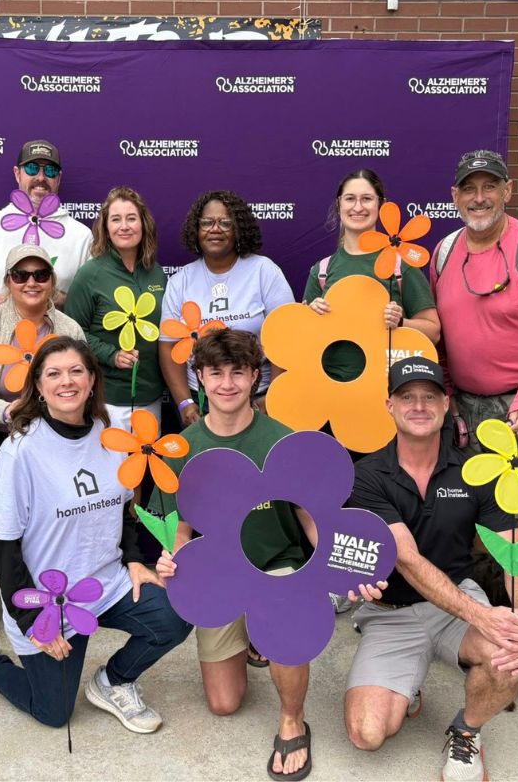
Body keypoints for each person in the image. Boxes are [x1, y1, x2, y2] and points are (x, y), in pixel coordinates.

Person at [155, 329, 382, 781]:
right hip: (222, 572)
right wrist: (173, 558)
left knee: (286, 627)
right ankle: (253, 636)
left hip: (280, 564)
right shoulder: (182, 449)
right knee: (224, 703)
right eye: (215, 373)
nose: (226, 384)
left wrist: (342, 569)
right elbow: (178, 529)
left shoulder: (283, 440)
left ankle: (291, 719)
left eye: (238, 372)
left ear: (256, 376)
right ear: (199, 377)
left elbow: (312, 518)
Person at [0, 337, 192, 732]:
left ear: (91, 380)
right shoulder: (21, 451)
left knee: (177, 615)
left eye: (76, 371)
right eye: (53, 373)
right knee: (53, 713)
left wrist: (135, 560)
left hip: (107, 583)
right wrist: (31, 618)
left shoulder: (112, 433)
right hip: (50, 601)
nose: (66, 382)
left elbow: (124, 508)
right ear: (38, 385)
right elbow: (2, 544)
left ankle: (114, 681)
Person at [343, 357, 518, 782]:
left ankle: (466, 731)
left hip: (457, 597)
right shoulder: (366, 476)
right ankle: (407, 682)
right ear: (389, 406)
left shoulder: (475, 471)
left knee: (511, 654)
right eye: (407, 397)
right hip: (392, 611)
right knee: (367, 733)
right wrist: (485, 617)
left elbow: (513, 555)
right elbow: (408, 560)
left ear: (446, 404)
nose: (419, 406)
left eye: (429, 397)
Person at [429, 150, 518, 538]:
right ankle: (491, 598)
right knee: (476, 516)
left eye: (490, 186)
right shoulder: (444, 252)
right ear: (454, 196)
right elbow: (439, 336)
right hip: (465, 407)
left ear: (507, 191)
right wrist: (446, 394)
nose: (479, 197)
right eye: (469, 188)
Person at [0, 245, 85, 641]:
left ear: (52, 282)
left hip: (46, 444)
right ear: (7, 282)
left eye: (40, 275)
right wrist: (6, 413)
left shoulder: (69, 330)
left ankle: (42, 594)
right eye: (21, 275)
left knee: (47, 520)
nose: (31, 282)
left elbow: (81, 384)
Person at [159, 190, 293, 428]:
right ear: (196, 229)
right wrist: (184, 403)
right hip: (202, 402)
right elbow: (169, 346)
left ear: (239, 228)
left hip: (257, 398)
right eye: (207, 223)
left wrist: (274, 397)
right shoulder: (181, 280)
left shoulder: (263, 271)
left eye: (225, 222)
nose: (215, 229)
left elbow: (286, 337)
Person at [303, 168, 441, 380]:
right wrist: (309, 317)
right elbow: (302, 341)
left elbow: (433, 332)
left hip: (387, 391)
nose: (358, 207)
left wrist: (401, 322)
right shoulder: (321, 271)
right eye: (350, 199)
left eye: (366, 199)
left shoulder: (400, 264)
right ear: (339, 204)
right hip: (331, 391)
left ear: (380, 205)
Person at [65, 186, 167, 431]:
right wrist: (111, 355)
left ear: (143, 225)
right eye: (116, 219)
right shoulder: (91, 274)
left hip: (152, 396)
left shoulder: (156, 272)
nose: (124, 226)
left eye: (131, 218)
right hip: (108, 400)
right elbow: (72, 332)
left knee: (144, 466)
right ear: (106, 228)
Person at [0, 139, 92, 313]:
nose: (41, 177)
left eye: (50, 171)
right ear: (17, 174)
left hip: (56, 337)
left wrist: (64, 300)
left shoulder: (81, 236)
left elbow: (89, 303)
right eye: (32, 169)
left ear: (59, 178)